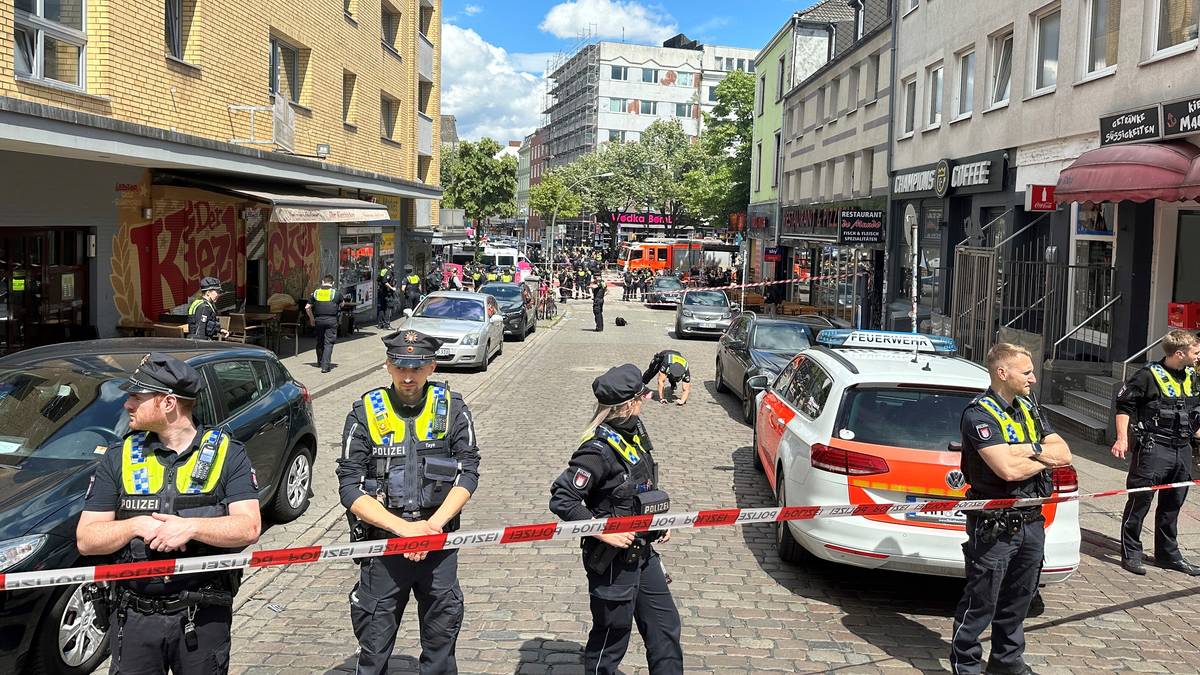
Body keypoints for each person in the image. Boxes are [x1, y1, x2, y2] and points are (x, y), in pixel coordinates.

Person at [76, 352, 261, 675]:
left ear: (168, 403)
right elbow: (87, 539)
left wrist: (191, 528)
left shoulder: (228, 454)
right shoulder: (118, 458)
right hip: (133, 619)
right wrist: (134, 525)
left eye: (136, 396)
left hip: (201, 616)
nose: (127, 405)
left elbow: (248, 527)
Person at [336, 330, 481, 675]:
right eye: (400, 365)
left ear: (431, 366)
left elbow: (469, 471)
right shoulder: (364, 413)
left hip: (438, 541)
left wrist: (432, 527)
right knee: (374, 643)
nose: (407, 376)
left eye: (416, 367)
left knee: (441, 640)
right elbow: (349, 487)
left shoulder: (452, 409)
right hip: (384, 543)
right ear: (387, 365)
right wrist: (403, 529)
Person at [549, 364, 683, 675]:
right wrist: (601, 530)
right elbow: (562, 497)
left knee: (665, 628)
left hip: (643, 552)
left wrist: (657, 521)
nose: (646, 400)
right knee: (612, 636)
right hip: (612, 561)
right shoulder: (597, 451)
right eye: (643, 397)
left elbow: (641, 484)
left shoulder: (635, 433)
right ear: (628, 404)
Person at [950, 343, 1073, 675]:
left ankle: (1007, 662)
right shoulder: (979, 413)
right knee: (981, 602)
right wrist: (1038, 453)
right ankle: (967, 665)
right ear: (1002, 373)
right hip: (995, 525)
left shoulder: (1030, 408)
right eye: (1027, 372)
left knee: (1020, 600)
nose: (1033, 378)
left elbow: (1064, 453)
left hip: (1032, 520)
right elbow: (1007, 470)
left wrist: (1024, 451)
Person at [1112, 329, 1200, 576]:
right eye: (1196, 352)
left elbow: (1194, 410)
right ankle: (1131, 553)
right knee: (1140, 502)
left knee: (1173, 504)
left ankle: (1167, 555)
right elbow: (1124, 405)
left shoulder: (1193, 376)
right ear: (1180, 353)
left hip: (1182, 449)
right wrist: (1121, 439)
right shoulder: (1146, 376)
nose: (1199, 356)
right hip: (1154, 449)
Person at [307, 274, 343, 373]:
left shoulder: (316, 292)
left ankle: (319, 362)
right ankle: (325, 366)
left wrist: (311, 319)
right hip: (331, 320)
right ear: (333, 283)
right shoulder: (336, 293)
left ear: (323, 281)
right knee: (328, 343)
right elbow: (342, 304)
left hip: (318, 320)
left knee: (320, 341)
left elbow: (307, 307)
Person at [187, 276, 227, 340]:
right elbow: (200, 330)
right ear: (208, 293)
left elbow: (208, 325)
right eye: (217, 292)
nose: (219, 295)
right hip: (200, 343)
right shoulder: (204, 307)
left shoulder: (200, 303)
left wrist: (219, 330)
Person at [377, 263, 397, 329]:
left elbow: (378, 279)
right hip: (387, 293)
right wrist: (392, 288)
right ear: (391, 264)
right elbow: (385, 281)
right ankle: (387, 325)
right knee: (389, 308)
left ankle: (380, 324)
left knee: (382, 308)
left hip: (382, 292)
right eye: (393, 263)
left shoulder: (383, 270)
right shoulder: (389, 271)